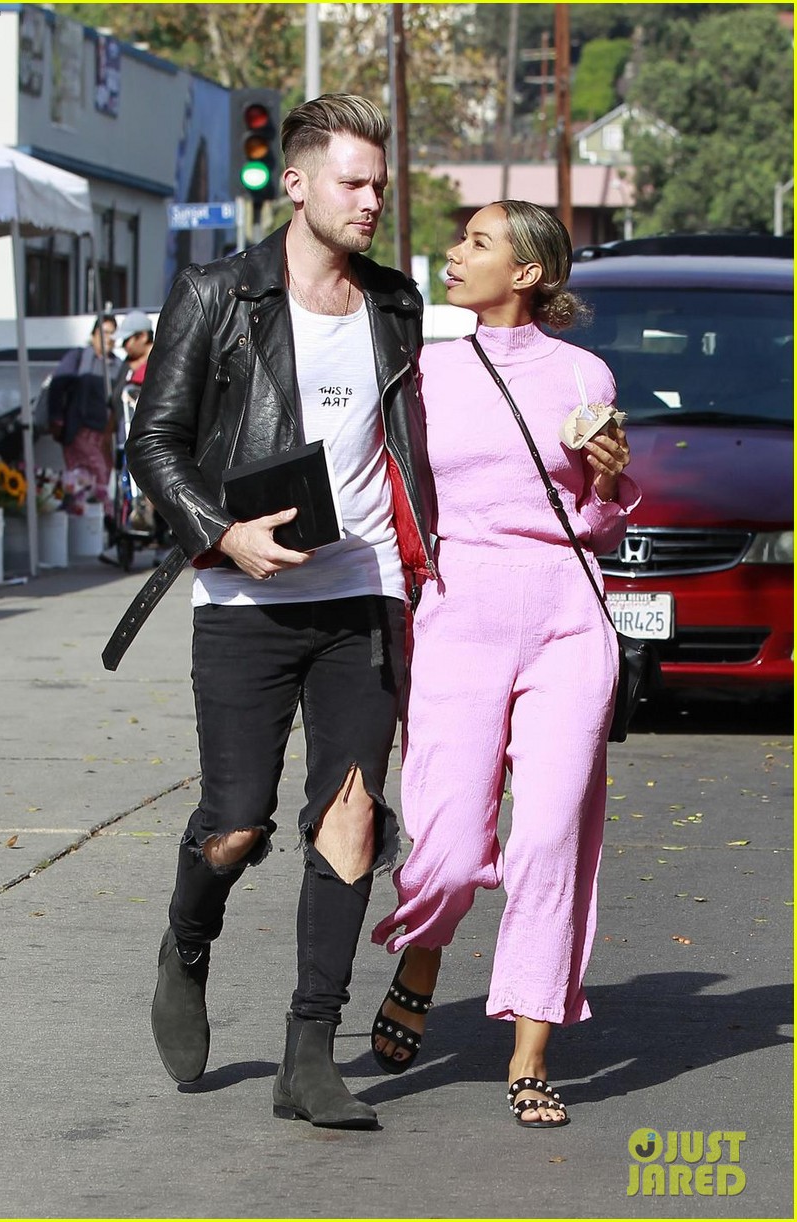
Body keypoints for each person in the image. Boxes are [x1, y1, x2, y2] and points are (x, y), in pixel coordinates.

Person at [123, 94, 436, 1130]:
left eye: (380, 183)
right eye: (353, 182)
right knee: (235, 824)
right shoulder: (218, 295)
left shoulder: (394, 302)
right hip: (243, 596)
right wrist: (225, 532)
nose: (372, 200)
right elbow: (154, 443)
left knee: (350, 818)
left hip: (362, 594)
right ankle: (188, 940)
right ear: (296, 184)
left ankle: (310, 1053)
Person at [370, 200, 640, 1128]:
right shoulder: (423, 371)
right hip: (457, 614)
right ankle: (424, 952)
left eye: (477, 243)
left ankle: (531, 1053)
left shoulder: (583, 374)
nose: (454, 253)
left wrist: (608, 478)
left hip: (566, 616)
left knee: (551, 837)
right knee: (446, 849)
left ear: (527, 273)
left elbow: (600, 524)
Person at [99, 311, 168, 565]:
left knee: (155, 489)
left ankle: (162, 542)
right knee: (125, 490)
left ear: (142, 337)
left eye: (128, 340)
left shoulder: (161, 360)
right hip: (124, 436)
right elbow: (115, 404)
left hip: (154, 437)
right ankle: (121, 537)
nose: (124, 345)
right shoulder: (126, 367)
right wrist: (106, 435)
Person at [47, 314, 120, 506]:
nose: (108, 338)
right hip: (79, 433)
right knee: (91, 480)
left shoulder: (117, 365)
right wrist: (56, 419)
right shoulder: (78, 357)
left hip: (104, 438)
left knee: (96, 485)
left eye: (112, 334)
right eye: (104, 332)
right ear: (94, 334)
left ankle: (93, 520)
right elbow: (57, 385)